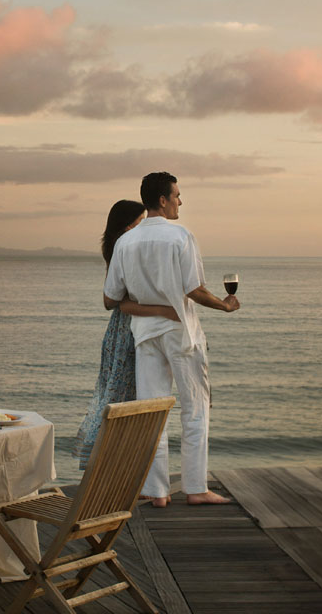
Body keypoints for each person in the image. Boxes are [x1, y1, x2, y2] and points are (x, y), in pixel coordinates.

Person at [103, 172, 240, 507]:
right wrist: (224, 305)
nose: (180, 201)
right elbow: (194, 289)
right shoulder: (180, 236)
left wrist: (151, 305)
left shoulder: (125, 242)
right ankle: (196, 488)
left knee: (153, 412)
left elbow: (112, 296)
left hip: (145, 335)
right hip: (181, 334)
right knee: (194, 410)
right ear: (163, 200)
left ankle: (157, 491)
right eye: (177, 195)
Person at [72, 199, 180, 470]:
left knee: (129, 400)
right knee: (120, 400)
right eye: (139, 221)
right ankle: (108, 467)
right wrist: (162, 309)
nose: (144, 226)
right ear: (127, 226)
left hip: (131, 330)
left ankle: (124, 470)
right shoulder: (122, 250)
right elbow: (110, 301)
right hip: (125, 333)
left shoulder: (129, 249)